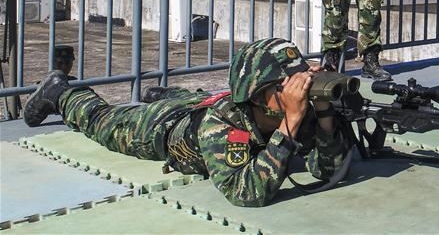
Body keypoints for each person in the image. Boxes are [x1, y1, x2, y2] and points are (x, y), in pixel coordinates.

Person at [22, 38, 351, 207]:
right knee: (102, 120)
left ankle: (164, 92)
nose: (301, 91)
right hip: (161, 130)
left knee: (194, 98)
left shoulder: (287, 109)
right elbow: (244, 192)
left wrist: (323, 115)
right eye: (290, 85)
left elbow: (329, 170)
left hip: (198, 103)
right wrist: (290, 124)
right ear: (259, 94)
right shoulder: (223, 124)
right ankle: (59, 91)